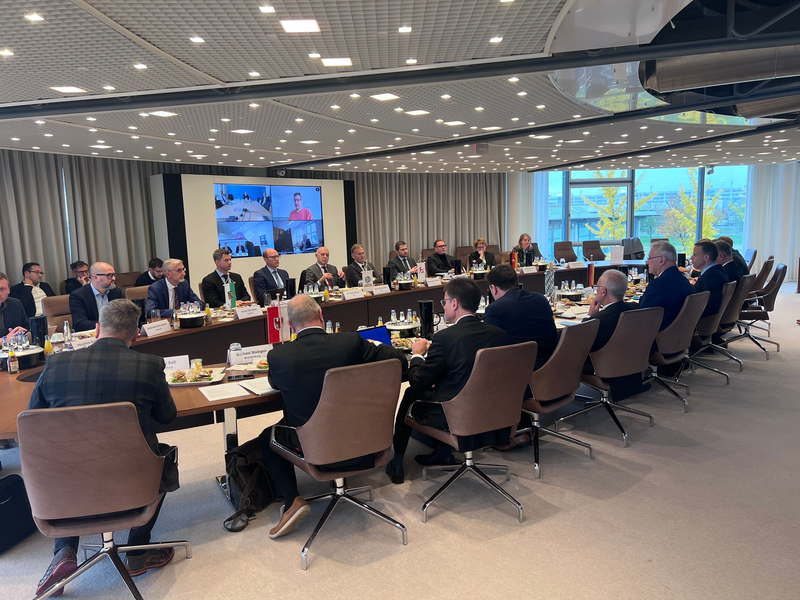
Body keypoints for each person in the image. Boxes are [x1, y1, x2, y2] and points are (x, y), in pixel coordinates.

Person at [29, 299, 178, 595]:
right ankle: (136, 549)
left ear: (97, 329)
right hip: (131, 482)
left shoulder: (56, 364)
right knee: (163, 454)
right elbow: (167, 416)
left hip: (67, 483)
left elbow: (34, 420)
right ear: (135, 335)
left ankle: (64, 550)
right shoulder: (149, 365)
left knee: (64, 460)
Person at [260, 295, 407, 538]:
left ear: (291, 325)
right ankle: (340, 479)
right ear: (321, 316)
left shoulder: (279, 357)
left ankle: (291, 500)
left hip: (314, 447)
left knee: (270, 435)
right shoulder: (351, 342)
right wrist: (375, 344)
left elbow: (275, 382)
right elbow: (399, 361)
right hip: (366, 442)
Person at [386, 278, 509, 484]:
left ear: (455, 303)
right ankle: (442, 452)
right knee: (443, 386)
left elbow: (418, 382)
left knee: (410, 393)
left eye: (444, 302)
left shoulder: (445, 338)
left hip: (455, 415)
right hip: (493, 410)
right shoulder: (500, 335)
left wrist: (417, 355)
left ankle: (396, 463)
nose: (443, 307)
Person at [484, 265, 557, 370]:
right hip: (551, 365)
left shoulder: (495, 309)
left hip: (520, 371)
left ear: (493, 288)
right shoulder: (541, 298)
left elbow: (490, 347)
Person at [583, 270, 637, 368]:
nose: (596, 291)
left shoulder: (598, 320)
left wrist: (590, 316)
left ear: (603, 291)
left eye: (597, 287)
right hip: (634, 362)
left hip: (604, 367)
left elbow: (581, 344)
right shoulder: (635, 308)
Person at [639, 241, 693, 331]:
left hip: (656, 337)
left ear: (662, 260)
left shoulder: (658, 285)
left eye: (649, 258)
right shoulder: (684, 281)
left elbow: (642, 314)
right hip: (678, 335)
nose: (647, 262)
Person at [69, 262, 124, 332]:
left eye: (113, 275)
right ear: (95, 278)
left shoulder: (116, 292)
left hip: (116, 333)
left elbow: (123, 316)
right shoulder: (78, 295)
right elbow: (80, 323)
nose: (113, 278)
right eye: (109, 275)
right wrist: (107, 325)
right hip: (92, 336)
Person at [691, 239, 729, 318]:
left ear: (706, 257)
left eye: (695, 255)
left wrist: (686, 311)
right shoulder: (715, 271)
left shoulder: (713, 277)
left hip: (697, 322)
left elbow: (712, 306)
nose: (691, 258)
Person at [0, 271, 29, 337]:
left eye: (2, 289)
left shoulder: (15, 304)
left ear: (8, 290)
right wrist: (5, 340)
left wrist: (23, 331)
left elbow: (27, 328)